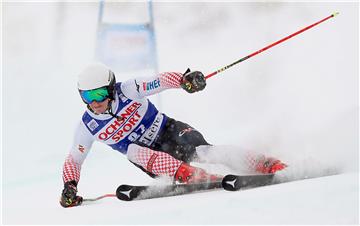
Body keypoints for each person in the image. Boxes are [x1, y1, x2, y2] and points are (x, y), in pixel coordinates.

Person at [60, 62, 287, 207]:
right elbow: (74, 160)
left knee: (207, 152)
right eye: (87, 97)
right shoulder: (88, 126)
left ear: (110, 89)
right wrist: (70, 187)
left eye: (99, 94)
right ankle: (190, 175)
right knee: (132, 150)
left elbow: (159, 81)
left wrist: (184, 81)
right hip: (151, 157)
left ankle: (268, 163)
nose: (95, 102)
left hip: (170, 132)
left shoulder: (128, 90)